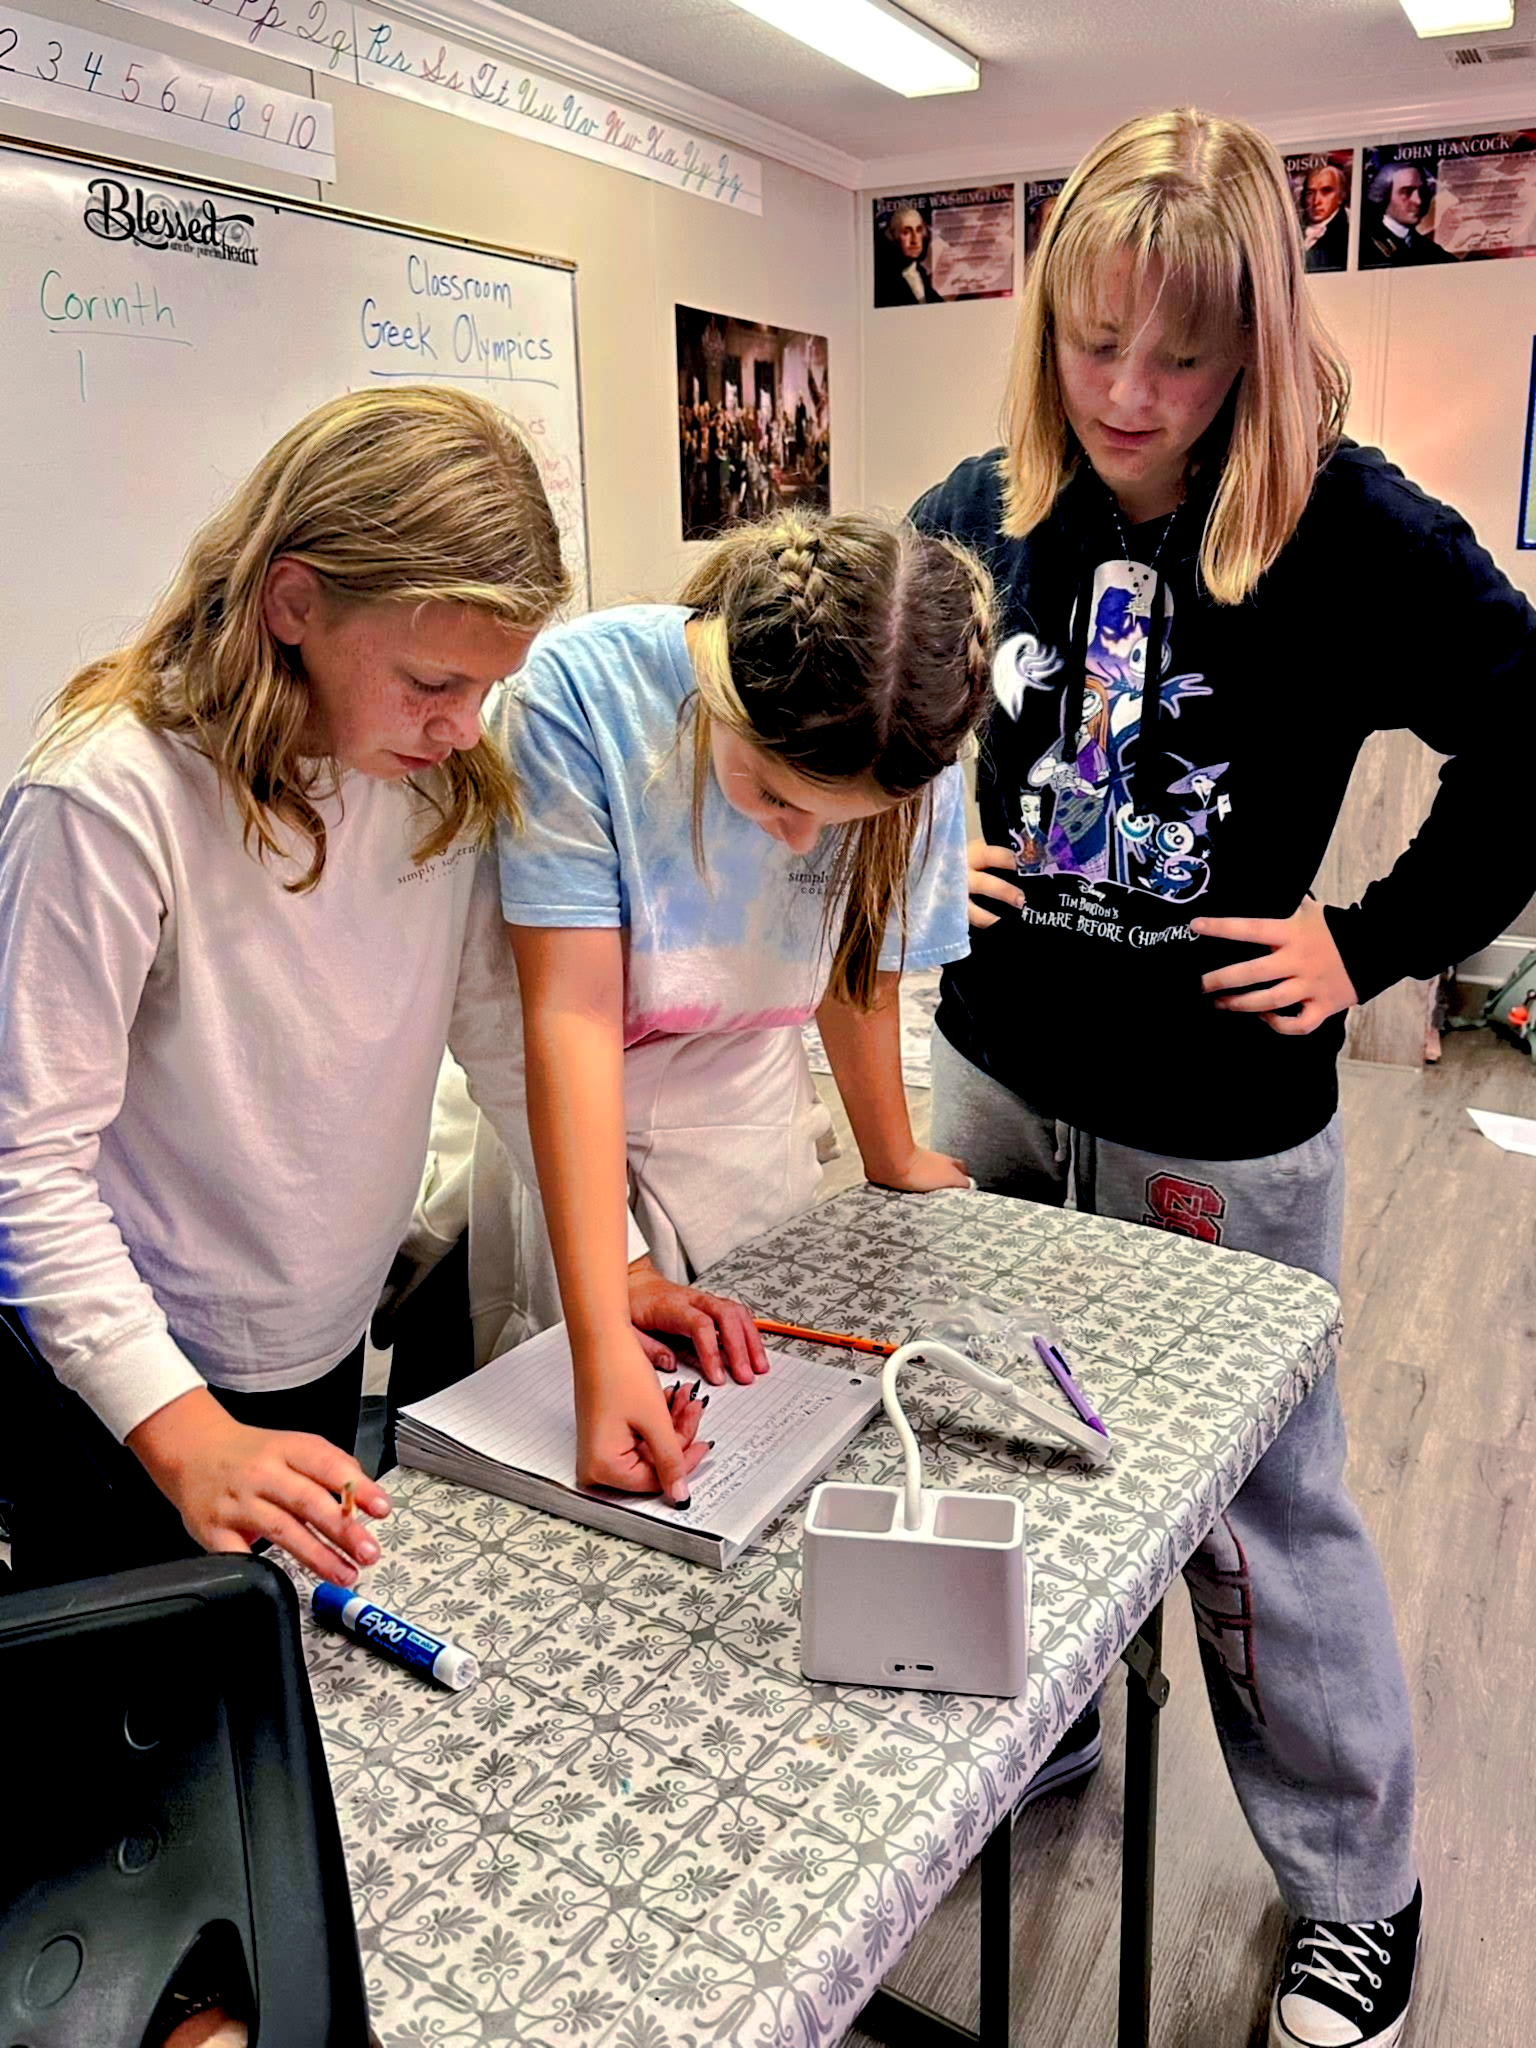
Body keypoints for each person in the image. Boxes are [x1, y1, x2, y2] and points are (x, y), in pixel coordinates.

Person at [911, 106, 1536, 2048]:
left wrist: (1370, 940)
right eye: (1096, 342)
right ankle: (1043, 1736)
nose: (1130, 391)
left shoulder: (1361, 539)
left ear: (1256, 342)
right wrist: (940, 840)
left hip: (1221, 1126)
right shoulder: (978, 503)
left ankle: (1358, 1884)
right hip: (1001, 1076)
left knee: (1265, 1523)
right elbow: (875, 705)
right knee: (1009, 1450)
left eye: (1182, 355)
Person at [0, 386, 739, 1590]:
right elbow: (24, 1166)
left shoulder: (427, 781)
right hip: (120, 1373)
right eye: (431, 681)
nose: (461, 727)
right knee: (143, 1739)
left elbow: (507, 1045)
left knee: (291, 1700)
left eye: (483, 690)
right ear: (295, 603)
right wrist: (182, 1433)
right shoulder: (110, 797)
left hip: (317, 1338)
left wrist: (619, 1264)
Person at [471, 510, 993, 1506]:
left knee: (770, 1415)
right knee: (618, 1461)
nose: (801, 845)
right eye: (770, 796)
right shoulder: (579, 698)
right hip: (580, 1108)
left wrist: (891, 1157)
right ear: (717, 693)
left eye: (838, 821)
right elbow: (569, 1022)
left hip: (752, 1103)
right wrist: (602, 1311)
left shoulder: (916, 731)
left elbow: (860, 966)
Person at [1361, 160, 1451, 267]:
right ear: (1384, 194)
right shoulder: (1363, 246)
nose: (1418, 201)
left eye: (1422, 191)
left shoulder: (1435, 253)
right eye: (1406, 192)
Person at [875, 204, 944, 305]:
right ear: (893, 237)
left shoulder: (920, 272)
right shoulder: (884, 281)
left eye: (919, 230)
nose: (915, 240)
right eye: (906, 232)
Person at [1299, 161, 1350, 272]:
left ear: (1342, 196)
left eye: (1326, 191)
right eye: (1310, 193)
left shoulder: (1347, 238)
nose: (1316, 201)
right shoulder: (1291, 231)